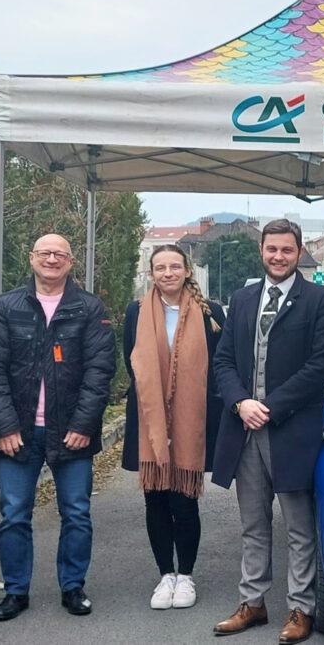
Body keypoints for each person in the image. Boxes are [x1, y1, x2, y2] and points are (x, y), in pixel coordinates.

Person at [211, 219, 324, 644]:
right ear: (261, 251)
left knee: (300, 528)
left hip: (292, 431)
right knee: (253, 524)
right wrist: (240, 403)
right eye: (271, 249)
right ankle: (254, 602)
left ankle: (302, 608)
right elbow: (224, 361)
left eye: (286, 250)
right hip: (244, 429)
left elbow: (321, 365)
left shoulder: (320, 299)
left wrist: (270, 406)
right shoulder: (243, 298)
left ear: (299, 252)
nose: (278, 257)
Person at [0, 234, 115, 621]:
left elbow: (99, 372)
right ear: (32, 258)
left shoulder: (88, 309)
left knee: (76, 513)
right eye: (44, 253)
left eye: (60, 254)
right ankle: (16, 591)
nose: (51, 259)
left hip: (72, 432)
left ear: (70, 263)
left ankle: (73, 587)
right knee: (14, 513)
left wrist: (85, 424)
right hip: (17, 433)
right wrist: (3, 426)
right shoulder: (6, 308)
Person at [122, 244, 227, 610]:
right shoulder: (135, 312)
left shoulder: (210, 313)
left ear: (187, 270)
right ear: (151, 273)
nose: (167, 273)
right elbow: (130, 363)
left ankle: (186, 576)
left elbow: (220, 364)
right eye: (160, 267)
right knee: (155, 499)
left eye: (174, 266)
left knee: (184, 500)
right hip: (149, 419)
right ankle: (165, 574)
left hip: (191, 419)